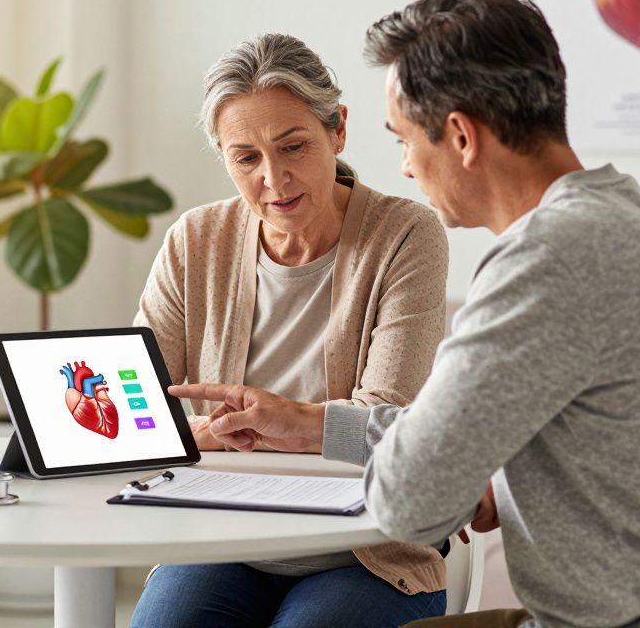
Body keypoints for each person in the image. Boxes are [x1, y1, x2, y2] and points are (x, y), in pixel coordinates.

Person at [171, 0, 640, 628]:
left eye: (404, 139)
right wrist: (316, 426)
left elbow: (409, 500)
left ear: (459, 135)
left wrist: (455, 474)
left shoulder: (545, 260)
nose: (404, 167)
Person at [128, 33, 450, 627]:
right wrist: (228, 430)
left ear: (338, 131)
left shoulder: (406, 235)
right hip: (220, 541)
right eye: (245, 157)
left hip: (365, 554)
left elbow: (389, 415)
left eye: (293, 146)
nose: (273, 179)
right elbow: (138, 407)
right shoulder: (194, 240)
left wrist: (239, 427)